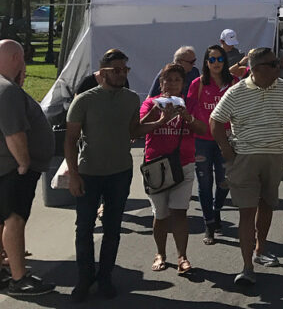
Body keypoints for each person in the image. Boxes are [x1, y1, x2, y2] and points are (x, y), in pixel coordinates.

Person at [66, 49, 168, 301]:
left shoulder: (131, 98)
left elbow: (134, 130)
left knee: (113, 228)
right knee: (84, 229)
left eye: (125, 70)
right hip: (89, 173)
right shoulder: (85, 100)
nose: (122, 74)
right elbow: (69, 140)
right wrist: (74, 175)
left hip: (120, 173)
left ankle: (105, 278)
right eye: (116, 70)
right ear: (102, 73)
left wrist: (160, 121)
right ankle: (84, 277)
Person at [209, 47, 283, 287]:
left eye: (277, 63)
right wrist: (225, 149)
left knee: (267, 204)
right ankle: (247, 266)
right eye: (272, 64)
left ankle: (261, 249)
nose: (278, 67)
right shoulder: (236, 92)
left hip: (276, 156)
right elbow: (215, 121)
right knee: (247, 211)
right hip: (245, 158)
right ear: (255, 69)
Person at [141, 63, 208, 275]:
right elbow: (137, 128)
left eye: (176, 80)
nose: (171, 84)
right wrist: (157, 115)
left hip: (183, 164)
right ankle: (160, 253)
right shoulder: (151, 103)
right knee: (160, 215)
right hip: (156, 166)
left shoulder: (188, 103)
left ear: (183, 83)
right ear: (161, 83)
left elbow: (203, 128)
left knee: (180, 213)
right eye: (167, 80)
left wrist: (187, 117)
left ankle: (182, 256)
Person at [0, 39, 54, 296]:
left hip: (4, 167)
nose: (24, 63)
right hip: (13, 168)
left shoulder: (8, 88)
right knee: (15, 220)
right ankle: (19, 279)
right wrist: (24, 163)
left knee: (3, 220)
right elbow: (14, 133)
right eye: (22, 58)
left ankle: (4, 270)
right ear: (13, 59)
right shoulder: (6, 90)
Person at [186, 45, 237, 245]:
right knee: (205, 183)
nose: (216, 63)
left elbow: (239, 109)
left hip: (225, 139)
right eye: (212, 59)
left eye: (220, 59)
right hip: (202, 141)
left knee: (225, 181)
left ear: (225, 61)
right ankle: (209, 224)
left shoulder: (234, 83)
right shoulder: (197, 84)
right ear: (206, 63)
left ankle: (216, 211)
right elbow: (189, 111)